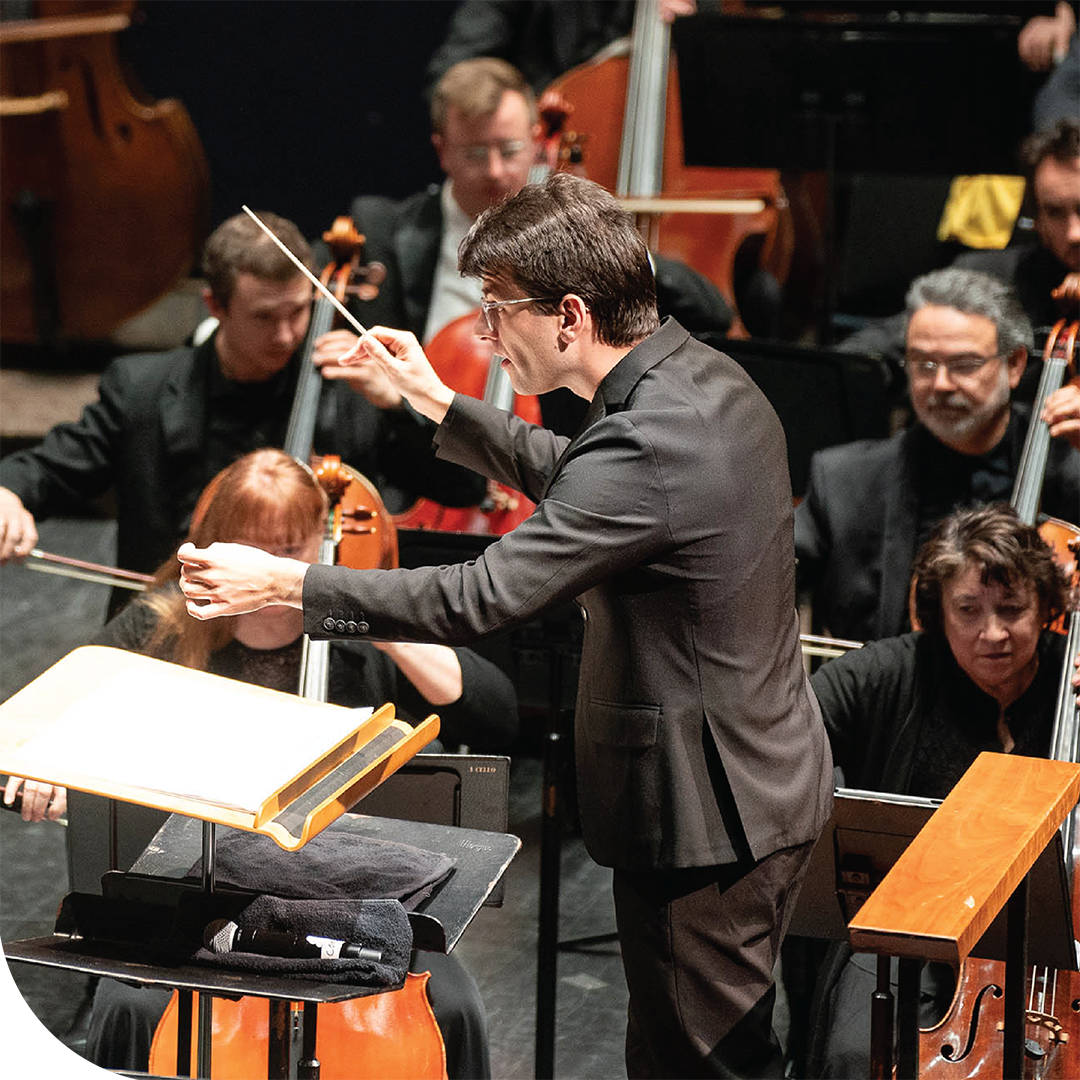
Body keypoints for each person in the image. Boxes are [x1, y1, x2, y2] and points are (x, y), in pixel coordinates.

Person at [174, 172, 834, 1079]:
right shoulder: (700, 376)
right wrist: (435, 399)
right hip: (764, 775)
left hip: (704, 815)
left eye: (497, 310)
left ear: (568, 315)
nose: (485, 334)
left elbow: (478, 596)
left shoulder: (645, 440)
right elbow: (588, 478)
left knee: (703, 1069)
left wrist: (288, 582)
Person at [19, 448, 516, 1080]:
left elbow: (497, 712)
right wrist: (47, 767)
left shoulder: (356, 631)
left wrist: (374, 609)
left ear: (319, 545)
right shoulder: (163, 626)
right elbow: (55, 714)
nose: (267, 573)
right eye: (251, 552)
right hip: (197, 906)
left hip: (346, 901)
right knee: (126, 1004)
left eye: (287, 551)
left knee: (457, 1004)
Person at [0, 211, 485, 578]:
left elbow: (464, 490)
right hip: (172, 636)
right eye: (264, 317)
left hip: (312, 635)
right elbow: (50, 468)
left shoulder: (351, 389)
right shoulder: (141, 389)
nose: (287, 335)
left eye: (299, 311)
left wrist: (397, 405)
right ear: (215, 304)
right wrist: (8, 494)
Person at [315, 56, 734, 433]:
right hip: (416, 462)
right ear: (442, 151)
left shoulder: (571, 240)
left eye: (510, 149)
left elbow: (711, 312)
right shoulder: (381, 230)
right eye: (476, 153)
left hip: (550, 459)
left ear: (537, 140)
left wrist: (617, 256)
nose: (495, 171)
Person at [801, 502, 1069, 1079]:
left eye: (1013, 610)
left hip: (1052, 942)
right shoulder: (894, 672)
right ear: (937, 613)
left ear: (1047, 608)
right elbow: (785, 735)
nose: (992, 633)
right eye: (967, 611)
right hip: (913, 927)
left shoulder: (1069, 681)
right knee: (856, 1055)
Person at [795, 266, 1080, 643]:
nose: (940, 384)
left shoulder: (1072, 463)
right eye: (924, 364)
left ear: (1014, 365)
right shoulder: (847, 479)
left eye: (964, 365)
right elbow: (761, 582)